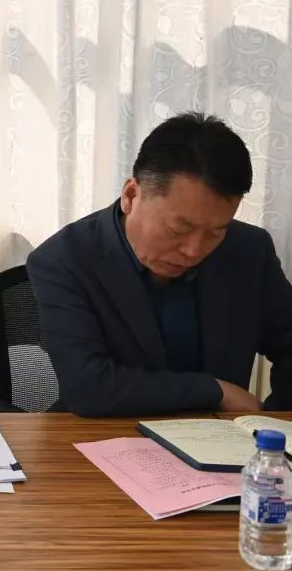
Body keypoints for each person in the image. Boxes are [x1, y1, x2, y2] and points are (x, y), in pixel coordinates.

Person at [28, 112, 292, 417]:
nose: (193, 251)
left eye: (215, 232)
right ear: (131, 195)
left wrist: (277, 421)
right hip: (106, 434)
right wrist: (214, 391)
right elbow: (90, 387)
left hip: (220, 436)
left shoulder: (249, 250)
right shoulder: (64, 260)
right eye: (178, 229)